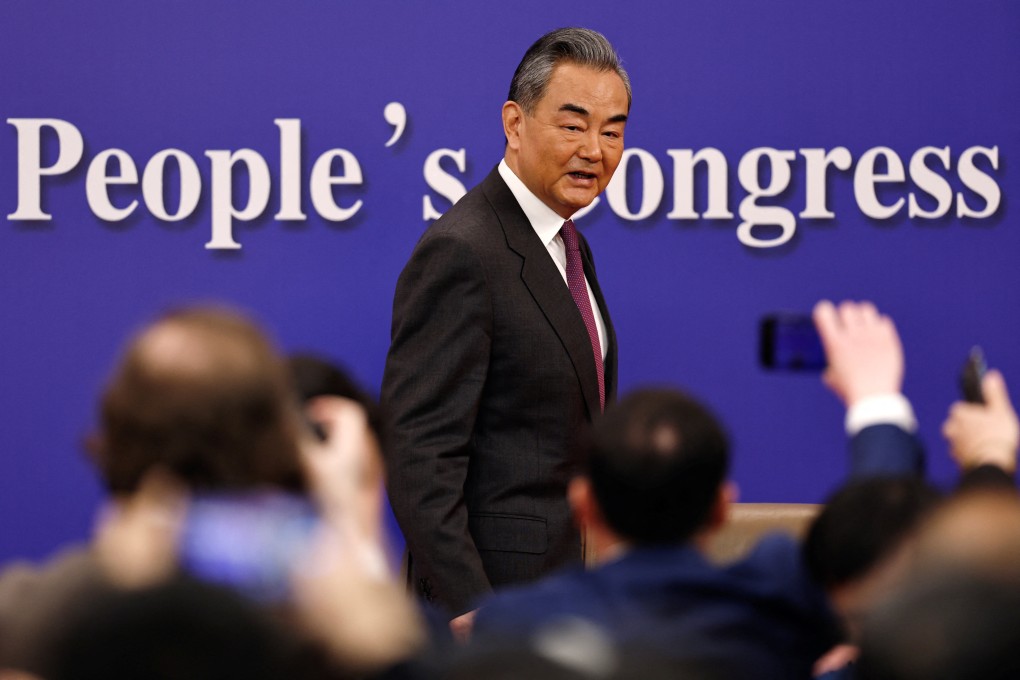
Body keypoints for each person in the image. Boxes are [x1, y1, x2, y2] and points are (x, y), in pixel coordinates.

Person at [380, 27, 631, 630]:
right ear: (515, 124)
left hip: (563, 595)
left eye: (613, 131)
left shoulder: (568, 245)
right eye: (573, 126)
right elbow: (418, 451)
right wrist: (467, 604)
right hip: (491, 608)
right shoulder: (464, 250)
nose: (595, 150)